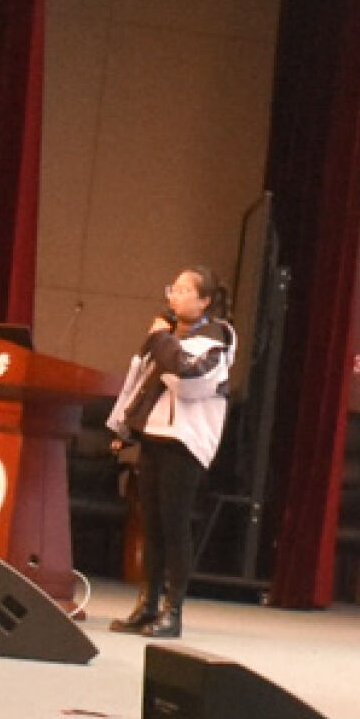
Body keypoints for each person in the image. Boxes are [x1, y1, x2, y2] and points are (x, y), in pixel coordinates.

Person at [104, 267, 235, 639]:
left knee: (175, 526)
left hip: (185, 441)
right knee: (152, 525)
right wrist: (126, 427)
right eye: (172, 289)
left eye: (182, 290)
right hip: (154, 435)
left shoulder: (216, 337)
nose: (173, 296)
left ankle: (172, 611)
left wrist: (161, 340)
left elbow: (188, 379)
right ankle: (147, 605)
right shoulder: (168, 336)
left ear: (204, 301)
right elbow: (144, 383)